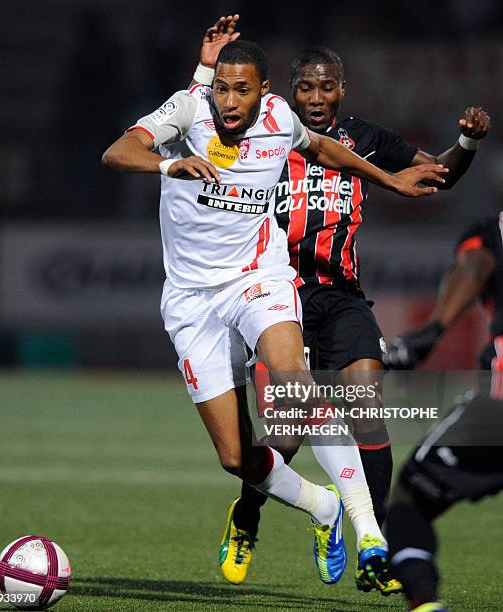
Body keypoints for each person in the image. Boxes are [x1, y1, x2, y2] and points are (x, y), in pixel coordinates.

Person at [102, 37, 446, 591]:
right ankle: (322, 507)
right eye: (222, 89)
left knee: (298, 389)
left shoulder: (280, 119)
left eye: (242, 90)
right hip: (192, 300)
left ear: (264, 92)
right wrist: (170, 165)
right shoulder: (187, 110)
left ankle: (368, 532)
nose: (230, 101)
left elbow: (324, 149)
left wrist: (389, 180)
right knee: (238, 458)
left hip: (259, 279)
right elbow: (116, 153)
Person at [191, 15, 490, 591]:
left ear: (342, 90)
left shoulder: (367, 139)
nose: (316, 97)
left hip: (345, 296)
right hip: (278, 293)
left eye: (327, 87)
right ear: (289, 89)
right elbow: (205, 119)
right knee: (286, 432)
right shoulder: (265, 129)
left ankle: (376, 549)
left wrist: (468, 143)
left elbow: (436, 176)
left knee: (366, 408)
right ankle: (247, 516)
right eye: (305, 86)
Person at [385, 213, 503, 611]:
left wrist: (434, 329)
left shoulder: (492, 233)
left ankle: (424, 598)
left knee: (409, 498)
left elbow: (476, 262)